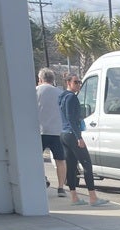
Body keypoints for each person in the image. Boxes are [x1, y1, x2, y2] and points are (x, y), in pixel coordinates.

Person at [58, 73, 107, 206]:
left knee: (71, 166)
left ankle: (74, 197)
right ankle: (93, 197)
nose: (79, 84)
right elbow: (71, 118)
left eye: (79, 82)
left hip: (64, 134)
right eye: (76, 82)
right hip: (72, 134)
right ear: (68, 83)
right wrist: (79, 137)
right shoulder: (71, 97)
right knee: (87, 164)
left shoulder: (62, 97)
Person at [36, 68, 67, 197]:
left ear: (40, 79)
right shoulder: (60, 93)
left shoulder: (36, 91)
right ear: (53, 80)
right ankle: (61, 188)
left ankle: (42, 179)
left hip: (40, 131)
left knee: (36, 159)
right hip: (57, 131)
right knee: (60, 160)